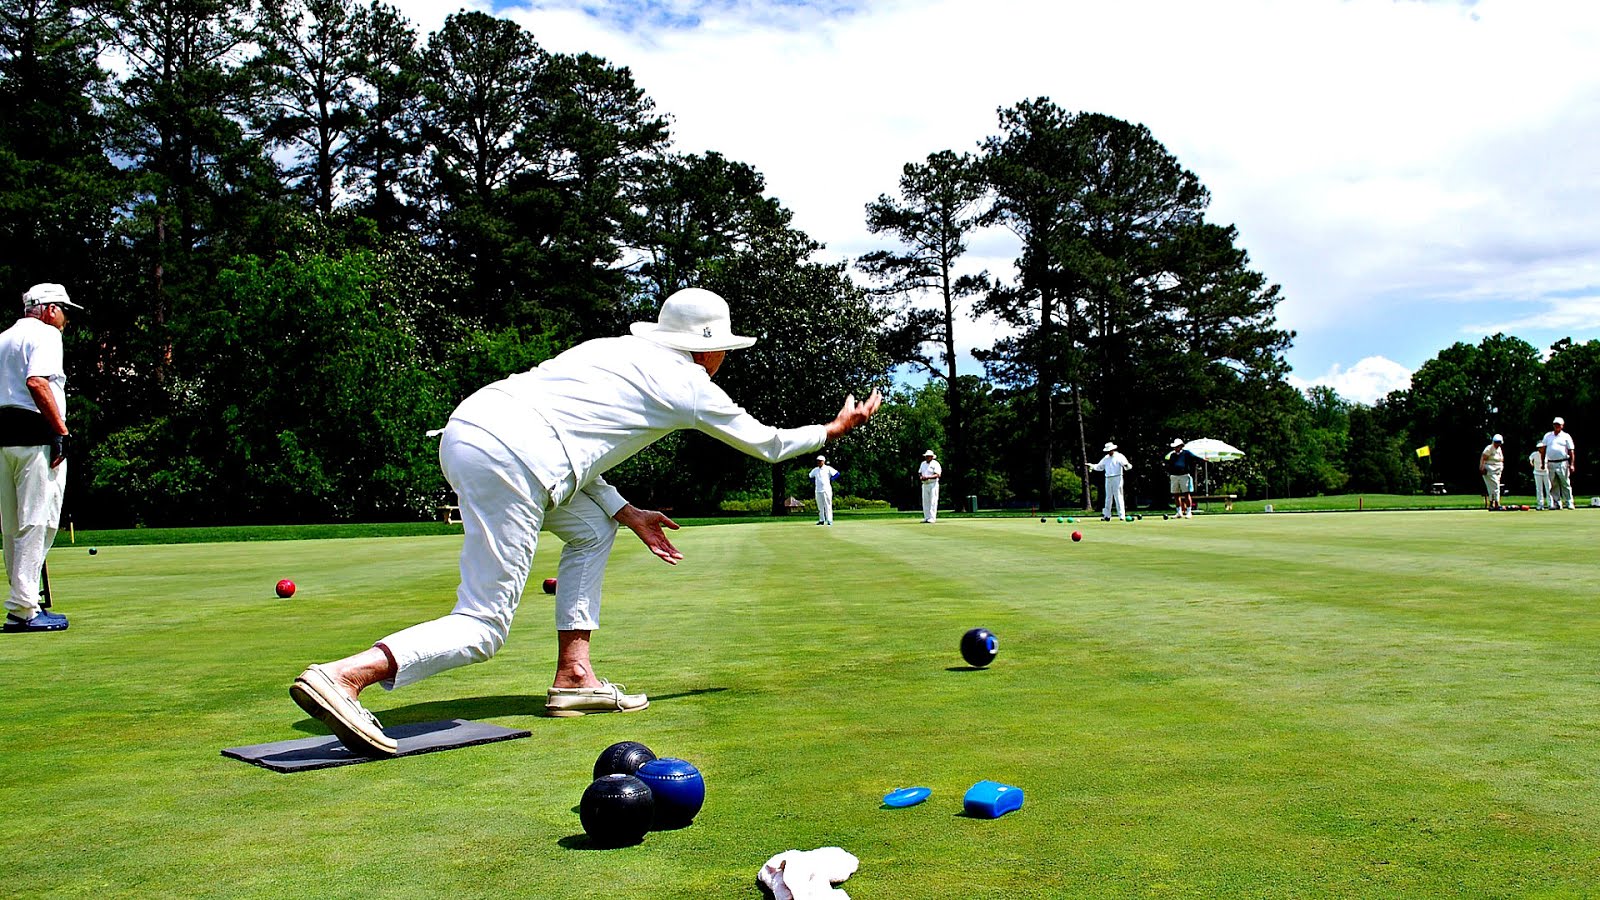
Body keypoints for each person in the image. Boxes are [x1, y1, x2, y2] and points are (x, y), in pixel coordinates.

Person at [289, 288, 883, 756]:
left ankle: (575, 676)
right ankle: (346, 676)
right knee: (483, 625)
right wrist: (832, 431)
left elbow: (564, 440)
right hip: (515, 457)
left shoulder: (606, 350)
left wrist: (626, 511)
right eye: (724, 348)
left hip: (470, 429)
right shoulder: (690, 384)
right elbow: (768, 444)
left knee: (593, 529)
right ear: (708, 349)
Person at [1, 284, 81, 634]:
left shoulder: (3, 338)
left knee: (13, 524)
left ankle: (22, 601)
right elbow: (37, 382)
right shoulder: (46, 335)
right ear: (49, 309)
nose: (65, 319)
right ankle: (24, 609)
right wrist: (61, 431)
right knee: (39, 520)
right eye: (64, 310)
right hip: (36, 436)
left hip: (4, 439)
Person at [1539, 416, 1577, 510]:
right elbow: (1543, 450)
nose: (1556, 426)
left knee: (1565, 483)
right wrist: (1543, 463)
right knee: (1553, 484)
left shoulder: (1566, 436)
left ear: (1562, 426)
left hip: (1563, 462)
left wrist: (1572, 464)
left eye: (1558, 425)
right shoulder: (1548, 436)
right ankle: (1557, 503)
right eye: (1555, 424)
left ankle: (1569, 502)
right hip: (1550, 463)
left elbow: (1571, 451)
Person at [1089, 441, 1133, 521]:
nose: (1109, 452)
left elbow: (1127, 465)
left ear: (1113, 449)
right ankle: (1107, 515)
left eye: (1110, 450)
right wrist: (1092, 466)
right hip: (1108, 478)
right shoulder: (1106, 458)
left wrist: (1127, 466)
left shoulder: (1119, 456)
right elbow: (1100, 467)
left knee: (1118, 496)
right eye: (1108, 451)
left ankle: (1121, 515)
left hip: (1117, 477)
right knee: (1108, 497)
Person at [1164, 438, 1203, 519]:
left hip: (1184, 475)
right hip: (1174, 476)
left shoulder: (1186, 453)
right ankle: (1179, 512)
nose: (1175, 448)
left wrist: (1203, 460)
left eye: (1177, 446)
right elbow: (1170, 465)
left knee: (1186, 493)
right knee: (1175, 494)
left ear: (1181, 446)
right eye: (1174, 447)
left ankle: (1189, 512)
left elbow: (1196, 459)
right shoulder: (1172, 455)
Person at [808, 454, 839, 526]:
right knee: (820, 506)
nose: (818, 462)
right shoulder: (815, 470)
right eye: (818, 461)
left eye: (820, 461)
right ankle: (821, 520)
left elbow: (837, 473)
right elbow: (810, 476)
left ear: (823, 461)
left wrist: (832, 479)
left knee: (828, 505)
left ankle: (829, 520)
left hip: (826, 490)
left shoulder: (828, 468)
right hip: (818, 490)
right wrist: (814, 481)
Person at [1478, 434, 1505, 510]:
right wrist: (1482, 467)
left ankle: (1492, 503)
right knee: (1495, 486)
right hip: (1490, 469)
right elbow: (1483, 458)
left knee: (1493, 486)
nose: (1498, 444)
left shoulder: (1499, 449)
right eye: (1496, 442)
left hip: (1497, 470)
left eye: (1499, 442)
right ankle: (1496, 503)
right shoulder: (1489, 448)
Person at [918, 450, 942, 523]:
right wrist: (921, 477)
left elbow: (937, 475)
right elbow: (920, 472)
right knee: (925, 501)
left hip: (933, 484)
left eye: (928, 456)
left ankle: (932, 517)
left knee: (933, 501)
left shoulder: (935, 464)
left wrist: (928, 477)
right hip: (925, 484)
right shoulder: (923, 464)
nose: (927, 457)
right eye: (926, 456)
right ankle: (926, 517)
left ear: (932, 457)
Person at [1529, 438, 1552, 510]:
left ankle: (1550, 504)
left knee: (1548, 488)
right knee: (1539, 489)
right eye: (1539, 448)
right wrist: (1531, 463)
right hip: (1537, 473)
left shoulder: (1547, 454)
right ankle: (1540, 504)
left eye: (1541, 448)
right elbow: (1531, 460)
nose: (1540, 449)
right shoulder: (1534, 454)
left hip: (1546, 473)